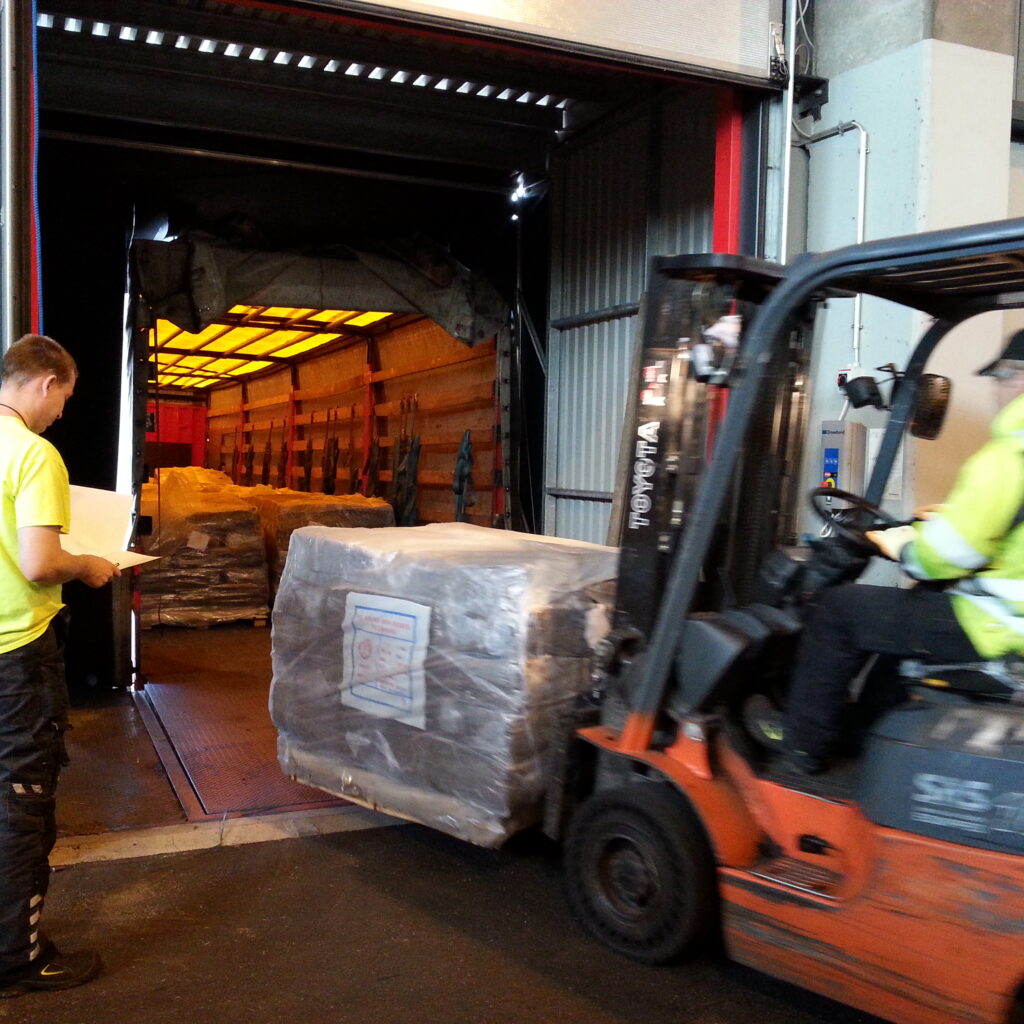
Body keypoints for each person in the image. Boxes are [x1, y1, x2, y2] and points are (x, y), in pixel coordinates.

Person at [751, 328, 1024, 773]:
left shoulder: (1008, 457)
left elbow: (945, 557)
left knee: (840, 610)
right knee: (900, 623)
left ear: (1018, 378)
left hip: (997, 625)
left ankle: (802, 747)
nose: (996, 390)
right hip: (1008, 617)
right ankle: (863, 734)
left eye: (1001, 378)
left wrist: (901, 545)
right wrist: (943, 521)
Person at [0, 334, 120, 997]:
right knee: (20, 802)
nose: (63, 413)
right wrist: (89, 565)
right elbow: (41, 563)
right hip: (15, 654)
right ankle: (17, 959)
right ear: (46, 382)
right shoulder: (33, 454)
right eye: (65, 397)